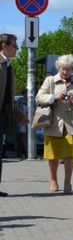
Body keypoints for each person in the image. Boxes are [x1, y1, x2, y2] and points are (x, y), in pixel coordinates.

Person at [36, 54, 73, 193]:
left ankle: (68, 182)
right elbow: (39, 97)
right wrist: (53, 97)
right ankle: (53, 179)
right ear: (58, 67)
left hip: (72, 124)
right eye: (63, 68)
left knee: (70, 156)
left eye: (68, 69)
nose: (65, 71)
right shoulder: (50, 81)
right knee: (52, 155)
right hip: (54, 123)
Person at [1, 34, 20, 197]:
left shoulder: (7, 65)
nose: (17, 49)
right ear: (4, 46)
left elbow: (8, 95)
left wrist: (18, 114)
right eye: (15, 45)